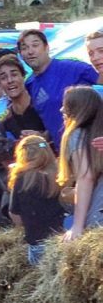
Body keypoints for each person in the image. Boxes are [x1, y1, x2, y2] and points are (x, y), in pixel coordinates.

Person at [18, 28, 98, 147]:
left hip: (90, 147)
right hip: (62, 152)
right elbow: (51, 122)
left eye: (35, 45)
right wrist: (41, 136)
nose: (30, 51)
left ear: (47, 47)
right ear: (20, 54)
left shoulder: (73, 67)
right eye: (24, 48)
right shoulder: (29, 84)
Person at [8, 136, 65, 264]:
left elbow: (14, 213)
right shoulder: (61, 176)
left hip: (37, 242)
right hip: (62, 240)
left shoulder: (21, 179)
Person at [59, 87, 103, 242]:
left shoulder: (76, 134)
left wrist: (77, 226)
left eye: (66, 105)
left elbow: (86, 177)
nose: (61, 109)